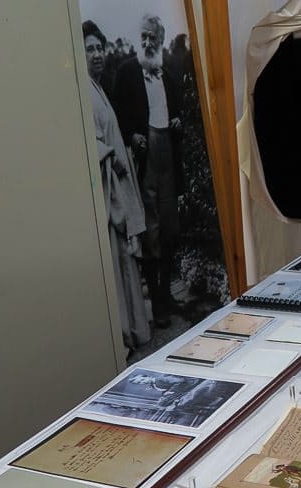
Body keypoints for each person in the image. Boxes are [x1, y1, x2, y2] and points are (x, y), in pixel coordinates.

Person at [112, 14, 184, 327]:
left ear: (160, 39)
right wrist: (132, 135)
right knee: (151, 231)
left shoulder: (167, 76)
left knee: (169, 230)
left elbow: (176, 113)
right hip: (144, 163)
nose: (147, 42)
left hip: (168, 157)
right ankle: (158, 305)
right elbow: (117, 118)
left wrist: (178, 123)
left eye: (153, 37)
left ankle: (166, 294)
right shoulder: (127, 72)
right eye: (143, 36)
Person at [83, 20, 151, 352]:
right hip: (106, 188)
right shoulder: (81, 91)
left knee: (126, 260)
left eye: (99, 48)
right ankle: (122, 336)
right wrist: (113, 155)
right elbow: (88, 142)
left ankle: (135, 331)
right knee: (116, 263)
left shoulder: (96, 87)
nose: (96, 55)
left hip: (117, 181)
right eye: (89, 49)